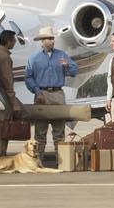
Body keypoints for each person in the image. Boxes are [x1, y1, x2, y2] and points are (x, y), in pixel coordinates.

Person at [25, 24, 77, 157]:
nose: (52, 41)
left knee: (59, 132)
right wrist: (37, 92)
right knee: (40, 132)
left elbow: (74, 71)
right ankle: (38, 161)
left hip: (58, 95)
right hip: (41, 95)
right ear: (42, 41)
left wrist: (67, 66)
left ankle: (62, 161)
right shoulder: (33, 58)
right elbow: (28, 78)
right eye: (49, 38)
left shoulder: (62, 55)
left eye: (52, 38)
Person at [0, 29, 19, 162]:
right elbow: (8, 81)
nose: (15, 43)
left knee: (0, 128)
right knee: (4, 129)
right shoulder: (4, 57)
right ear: (8, 41)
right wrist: (13, 102)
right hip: (3, 95)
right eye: (14, 41)